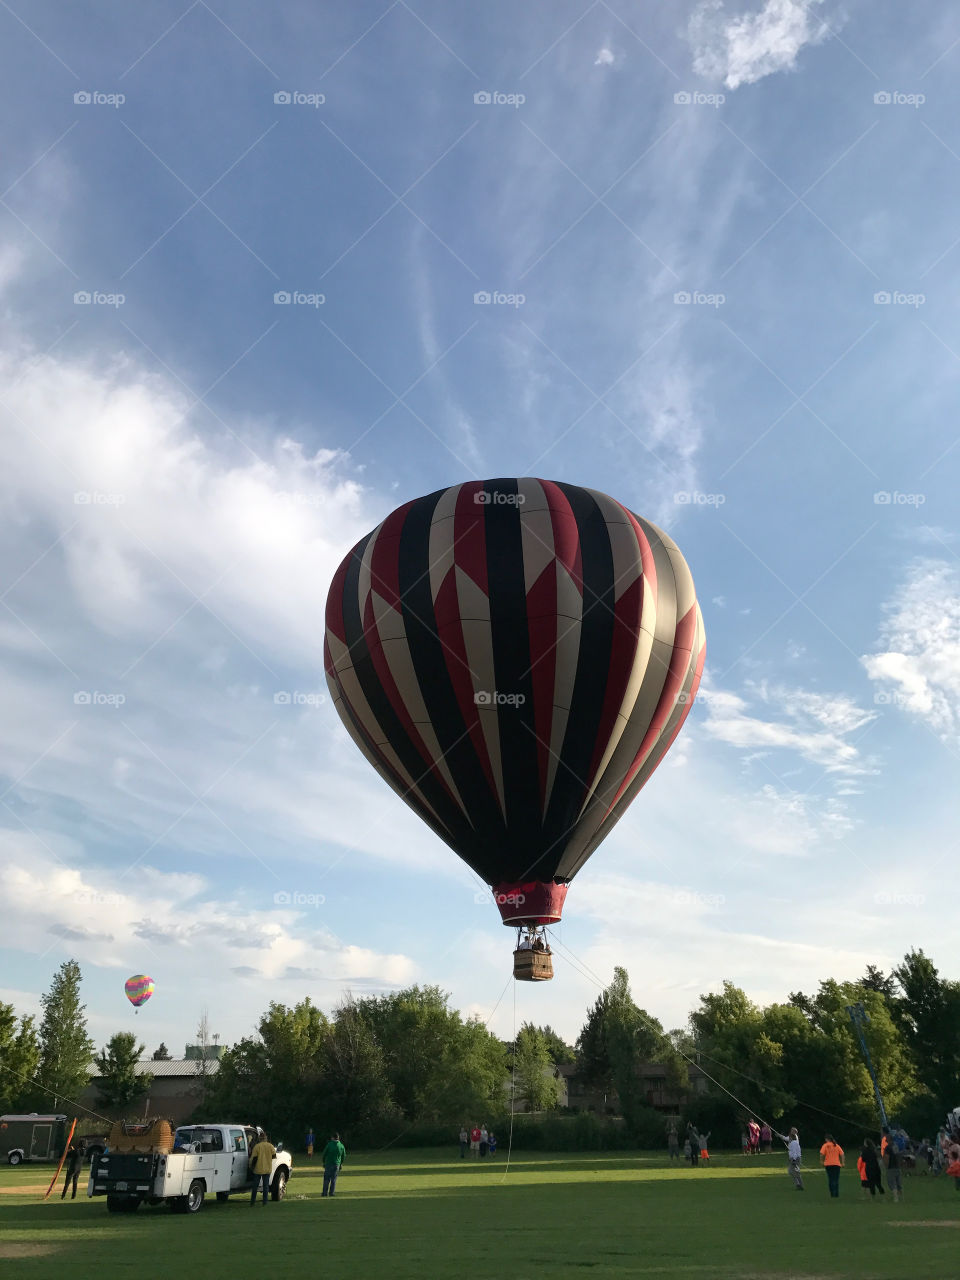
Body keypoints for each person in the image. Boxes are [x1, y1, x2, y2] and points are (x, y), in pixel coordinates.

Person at [249, 1132, 276, 1205]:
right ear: (266, 1138)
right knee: (266, 1186)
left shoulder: (257, 1146)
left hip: (258, 1169)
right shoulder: (270, 1146)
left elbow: (254, 1158)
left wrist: (251, 1167)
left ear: (259, 1138)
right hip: (267, 1168)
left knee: (255, 1186)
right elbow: (274, 1156)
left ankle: (252, 1202)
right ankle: (265, 1202)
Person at [321, 1132, 345, 1197]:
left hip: (328, 1164)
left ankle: (324, 1193)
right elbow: (343, 1156)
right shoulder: (341, 1146)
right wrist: (341, 1163)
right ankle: (331, 1193)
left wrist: (323, 1162)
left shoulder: (329, 1144)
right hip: (336, 1164)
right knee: (333, 1179)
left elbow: (324, 1153)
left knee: (326, 1179)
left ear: (333, 1138)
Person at [820, 1133, 844, 1198]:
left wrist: (822, 1161)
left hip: (828, 1164)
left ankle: (832, 1194)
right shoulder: (836, 1145)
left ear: (826, 1139)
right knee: (836, 1179)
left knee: (830, 1179)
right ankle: (836, 1194)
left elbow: (822, 1154)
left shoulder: (825, 1145)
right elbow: (842, 1154)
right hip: (836, 1164)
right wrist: (843, 1163)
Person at [883, 1135, 903, 1201]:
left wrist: (886, 1166)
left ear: (888, 1140)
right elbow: (898, 1156)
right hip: (897, 1167)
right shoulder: (895, 1146)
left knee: (892, 1183)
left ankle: (896, 1198)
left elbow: (887, 1158)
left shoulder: (887, 1148)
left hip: (891, 1167)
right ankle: (901, 1198)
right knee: (898, 1183)